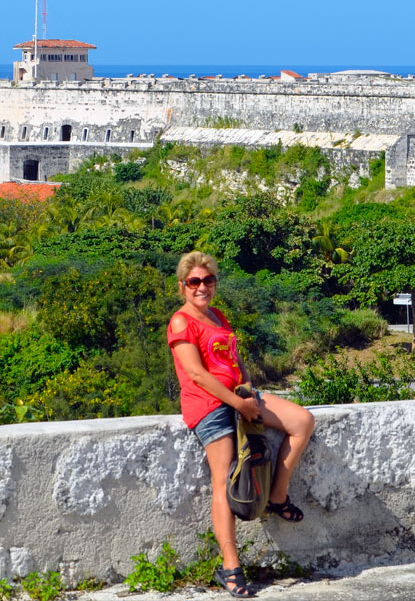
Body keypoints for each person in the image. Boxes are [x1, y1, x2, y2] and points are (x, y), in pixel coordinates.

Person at [167, 252, 315, 598]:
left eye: (208, 280)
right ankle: (231, 567)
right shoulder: (180, 322)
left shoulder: (218, 316)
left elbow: (234, 359)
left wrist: (247, 391)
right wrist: (239, 405)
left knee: (302, 421)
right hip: (209, 405)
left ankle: (277, 497)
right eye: (194, 282)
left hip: (240, 396)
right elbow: (197, 374)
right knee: (225, 479)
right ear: (183, 287)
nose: (202, 287)